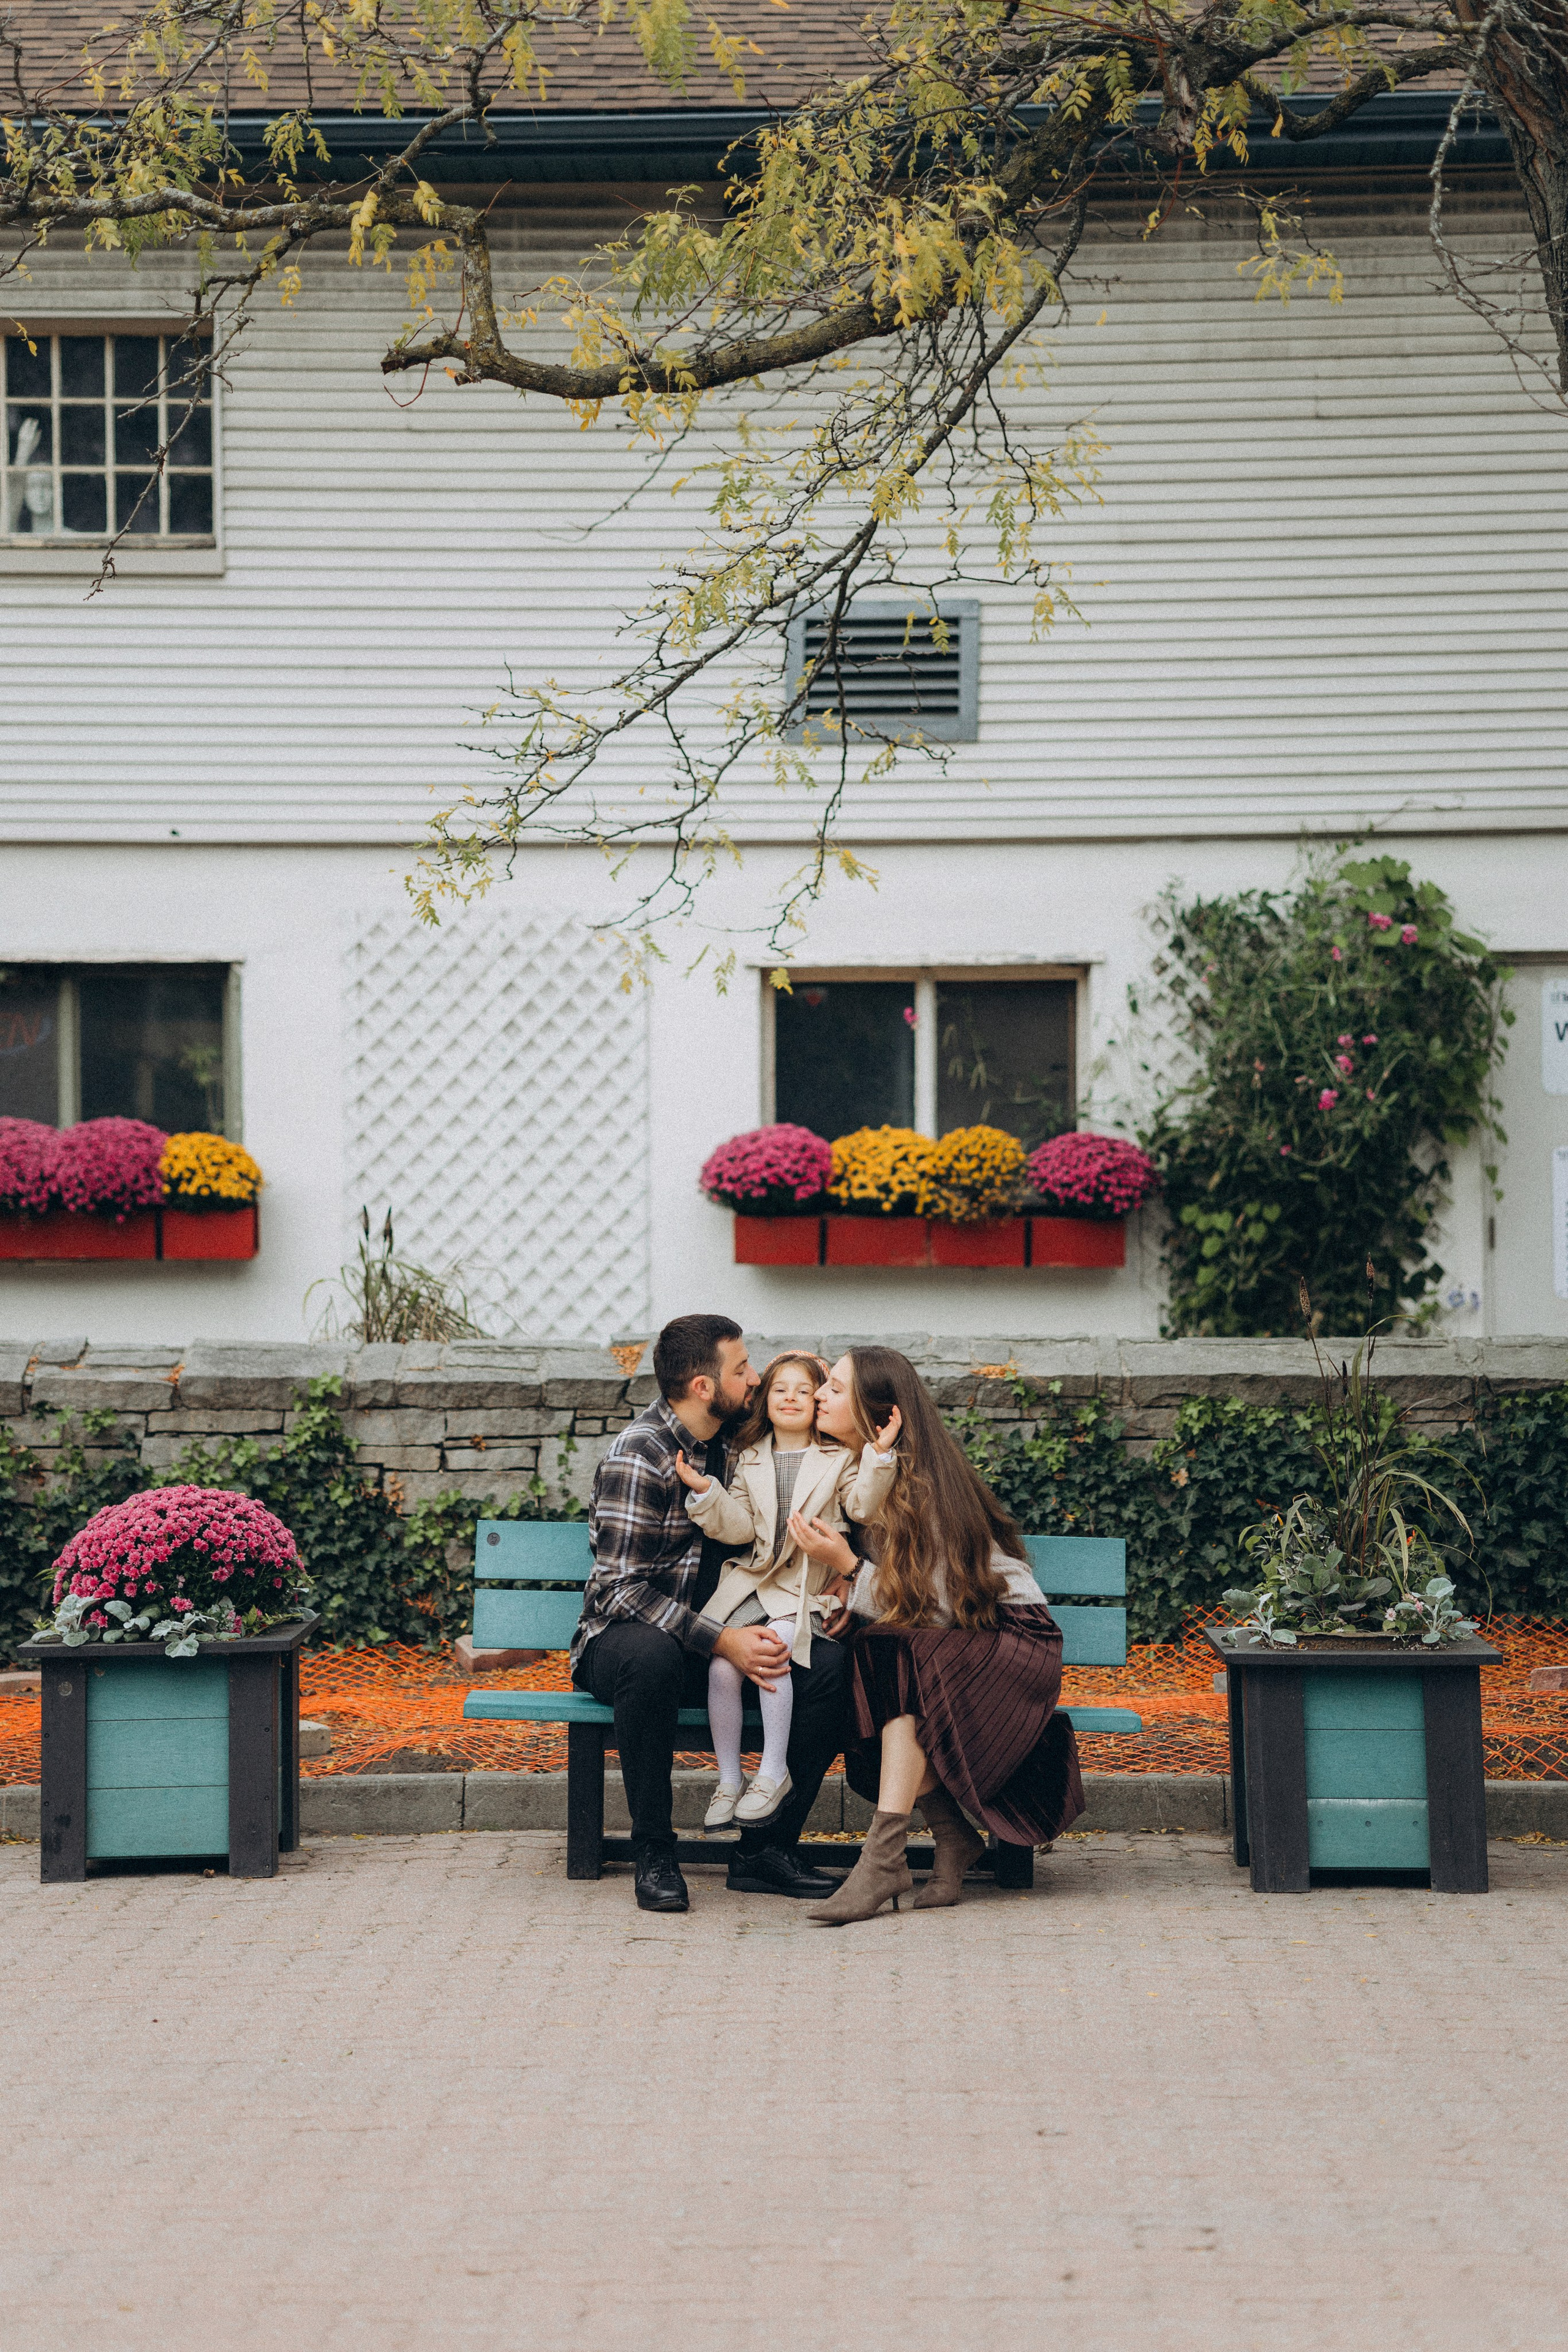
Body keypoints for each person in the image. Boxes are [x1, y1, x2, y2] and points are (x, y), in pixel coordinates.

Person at [785, 1346, 1085, 1926]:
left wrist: (850, 1569)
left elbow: (949, 1606)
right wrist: (850, 1599)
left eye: (835, 1388)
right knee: (883, 1651)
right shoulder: (859, 1475)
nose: (819, 1394)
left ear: (882, 1412)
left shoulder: (921, 1482)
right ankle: (950, 1838)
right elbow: (899, 1604)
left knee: (898, 1655)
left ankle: (882, 1860)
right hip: (951, 1644)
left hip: (1013, 1640)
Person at [570, 1313, 851, 1915]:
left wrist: (845, 1577)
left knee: (828, 1666)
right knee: (651, 1656)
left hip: (722, 1636)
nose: (753, 1379)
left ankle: (764, 1849)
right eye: (742, 1369)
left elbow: (801, 1409)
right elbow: (619, 1589)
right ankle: (654, 1849)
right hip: (625, 1642)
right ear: (703, 1387)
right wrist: (722, 1641)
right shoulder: (638, 1455)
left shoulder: (736, 1444)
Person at [676, 1350, 900, 1829]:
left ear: (817, 1400)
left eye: (805, 1390)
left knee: (775, 1648)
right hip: (755, 1583)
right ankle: (731, 1779)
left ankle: (773, 1772)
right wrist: (705, 1493)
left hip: (803, 1588)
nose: (793, 1398)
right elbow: (736, 1529)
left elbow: (861, 1508)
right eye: (781, 1389)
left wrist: (878, 1457)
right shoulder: (749, 1458)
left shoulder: (838, 1458)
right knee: (722, 1665)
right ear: (765, 1401)